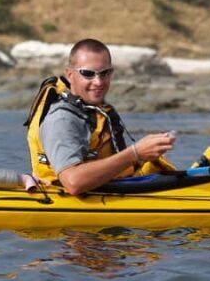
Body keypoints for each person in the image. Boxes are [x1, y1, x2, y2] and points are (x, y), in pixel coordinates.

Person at [24, 38, 175, 195]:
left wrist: (145, 156)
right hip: (64, 197)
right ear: (70, 75)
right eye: (88, 74)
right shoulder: (61, 119)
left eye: (104, 73)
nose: (98, 82)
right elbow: (73, 182)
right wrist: (135, 153)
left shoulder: (94, 111)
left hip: (107, 189)